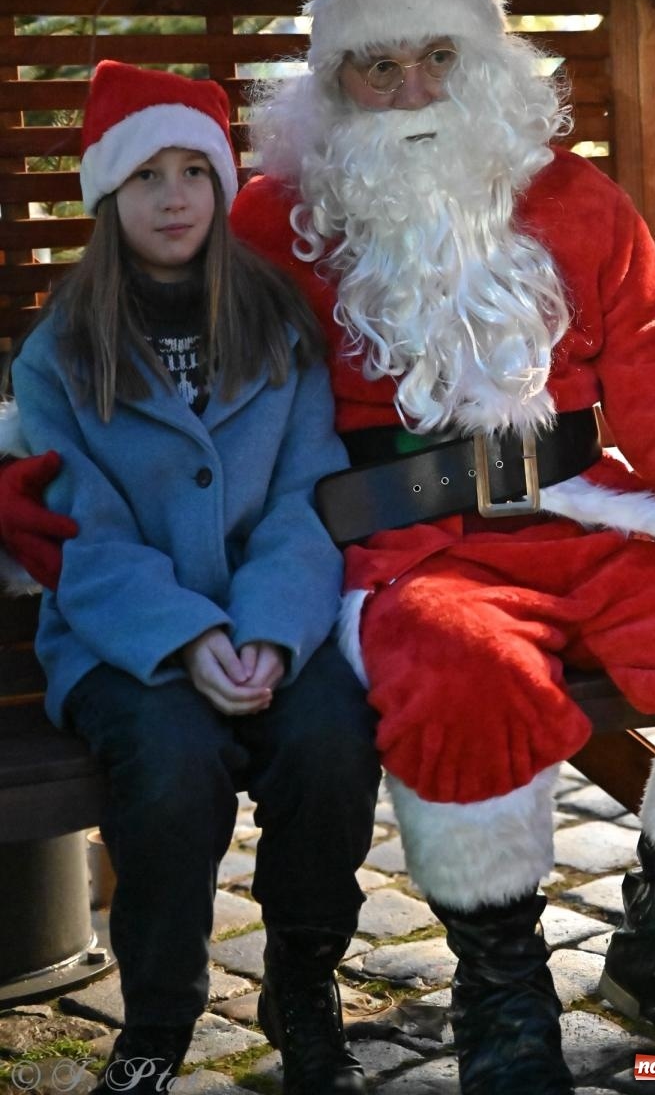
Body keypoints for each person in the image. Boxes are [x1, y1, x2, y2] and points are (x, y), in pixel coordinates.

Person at [2, 0, 655, 1095]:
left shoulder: (575, 204)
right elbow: (185, 377)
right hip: (402, 541)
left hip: (591, 511)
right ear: (332, 85)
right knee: (455, 667)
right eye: (376, 65)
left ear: (483, 65)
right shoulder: (275, 224)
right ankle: (501, 983)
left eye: (438, 56)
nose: (411, 87)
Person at [5, 61, 380, 1095]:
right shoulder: (63, 352)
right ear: (106, 198)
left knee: (330, 741)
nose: (174, 197)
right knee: (168, 767)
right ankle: (158, 1018)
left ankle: (303, 983)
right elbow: (85, 531)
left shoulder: (276, 329)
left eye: (194, 173)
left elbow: (307, 499)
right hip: (124, 635)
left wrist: (268, 629)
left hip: (272, 616)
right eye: (146, 177)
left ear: (221, 188)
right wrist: (184, 639)